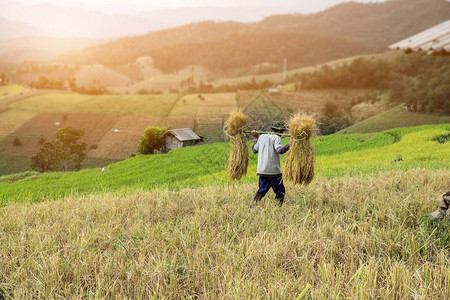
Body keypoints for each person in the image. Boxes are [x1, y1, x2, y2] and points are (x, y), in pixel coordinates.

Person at [249, 121, 291, 210]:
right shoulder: (276, 137)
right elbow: (280, 150)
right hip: (273, 171)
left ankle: (251, 207)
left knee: (262, 190)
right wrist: (291, 143)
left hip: (262, 170)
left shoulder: (262, 137)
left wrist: (255, 137)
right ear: (279, 131)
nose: (282, 133)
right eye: (282, 131)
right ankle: (277, 208)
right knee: (280, 191)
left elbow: (254, 150)